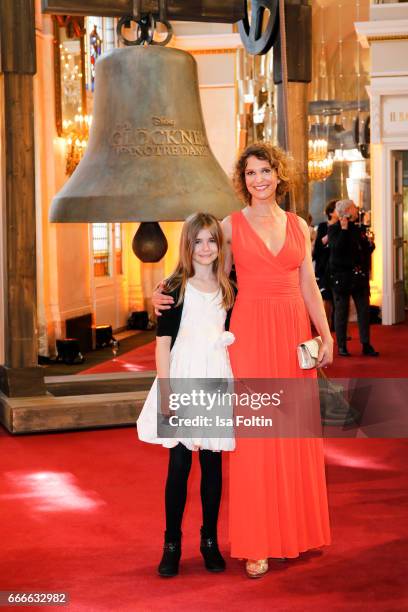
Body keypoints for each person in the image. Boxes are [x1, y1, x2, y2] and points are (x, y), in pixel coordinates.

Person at [154, 143, 333, 578]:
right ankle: (258, 543)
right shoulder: (231, 227)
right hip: (251, 336)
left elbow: (309, 285)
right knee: (256, 442)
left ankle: (295, 531)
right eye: (251, 173)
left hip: (293, 334)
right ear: (243, 180)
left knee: (292, 435)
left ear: (278, 175)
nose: (259, 179)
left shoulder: (299, 226)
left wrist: (324, 333)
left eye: (266, 170)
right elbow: (207, 271)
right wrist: (164, 291)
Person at [137, 212, 236, 577]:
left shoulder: (230, 289)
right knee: (179, 465)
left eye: (212, 240)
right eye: (198, 241)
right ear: (188, 245)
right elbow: (162, 345)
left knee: (212, 464)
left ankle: (209, 540)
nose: (206, 248)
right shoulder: (173, 289)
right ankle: (171, 542)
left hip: (214, 380)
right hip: (180, 378)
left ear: (219, 245)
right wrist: (167, 392)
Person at [328, 199, 379, 357]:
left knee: (364, 312)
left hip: (359, 277)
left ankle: (366, 344)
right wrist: (343, 231)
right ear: (347, 211)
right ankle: (342, 345)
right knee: (341, 312)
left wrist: (371, 245)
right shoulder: (334, 229)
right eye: (354, 208)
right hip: (341, 277)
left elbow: (364, 252)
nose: (357, 210)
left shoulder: (358, 229)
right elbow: (336, 250)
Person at [313, 199, 339, 329]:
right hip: (324, 267)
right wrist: (331, 233)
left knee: (338, 300)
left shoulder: (342, 226)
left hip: (337, 267)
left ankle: (338, 327)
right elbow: (318, 246)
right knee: (326, 298)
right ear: (331, 212)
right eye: (337, 209)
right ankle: (327, 326)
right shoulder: (323, 226)